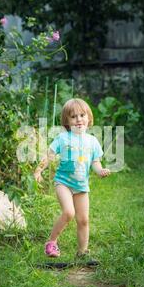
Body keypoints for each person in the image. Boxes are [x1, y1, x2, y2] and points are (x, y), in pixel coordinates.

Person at [33, 98, 110, 259]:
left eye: (82, 115)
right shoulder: (63, 138)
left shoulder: (92, 141)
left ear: (88, 118)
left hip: (81, 185)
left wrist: (100, 171)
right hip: (64, 183)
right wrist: (38, 171)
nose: (79, 119)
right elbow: (50, 156)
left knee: (83, 220)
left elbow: (95, 162)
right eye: (73, 117)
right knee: (69, 212)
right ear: (67, 121)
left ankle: (82, 252)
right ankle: (51, 242)